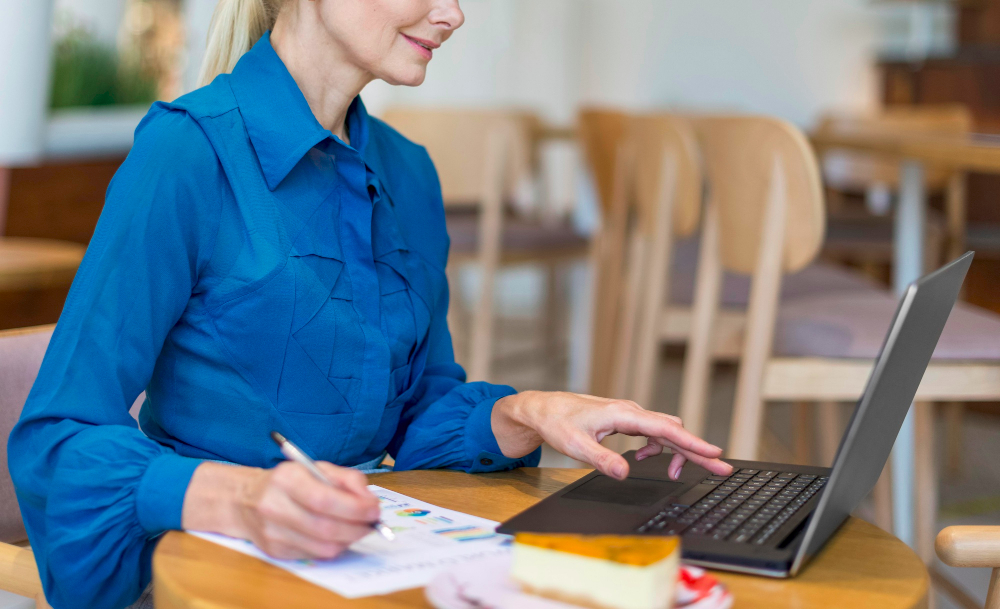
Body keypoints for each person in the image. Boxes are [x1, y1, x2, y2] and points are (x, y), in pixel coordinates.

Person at [8, 1, 732, 607]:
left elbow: (418, 414)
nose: (453, 13)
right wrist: (238, 498)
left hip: (355, 568)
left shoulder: (408, 171)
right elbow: (57, 437)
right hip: (203, 577)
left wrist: (527, 411)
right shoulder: (186, 153)